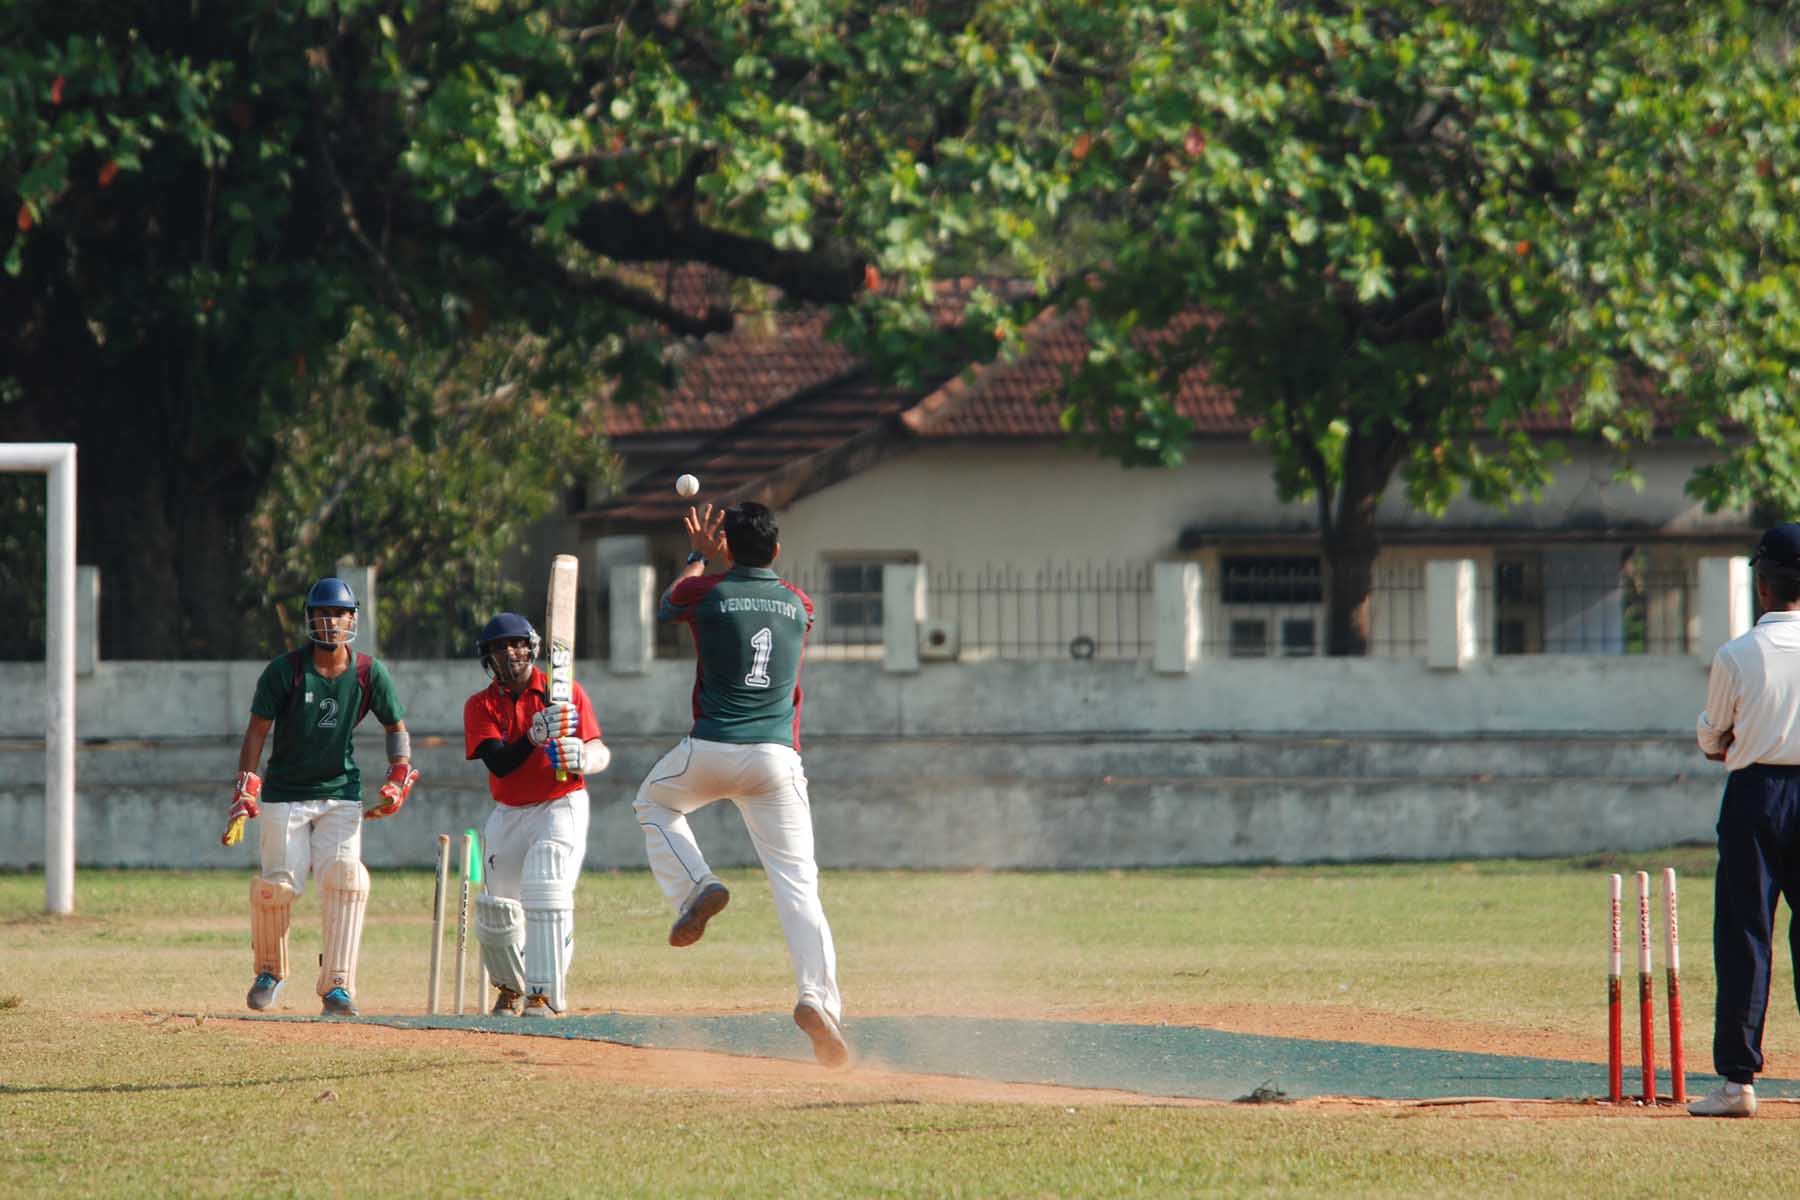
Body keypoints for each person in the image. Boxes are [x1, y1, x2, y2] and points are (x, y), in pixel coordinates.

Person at [633, 501, 849, 1067]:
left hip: (710, 748)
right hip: (776, 760)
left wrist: (700, 557)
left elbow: (667, 606)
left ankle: (696, 887)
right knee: (799, 886)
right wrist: (730, 556)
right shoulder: (800, 603)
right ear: (776, 550)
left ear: (727, 544)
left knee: (654, 802)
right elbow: (780, 611)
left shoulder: (707, 592)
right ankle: (817, 1001)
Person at [223, 576, 416, 1017]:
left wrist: (398, 774)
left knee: (347, 879)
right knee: (277, 887)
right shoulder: (285, 671)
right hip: (285, 793)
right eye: (323, 613)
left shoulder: (369, 672)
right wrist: (246, 784)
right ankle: (269, 970)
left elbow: (395, 728)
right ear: (310, 620)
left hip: (340, 793)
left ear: (353, 619)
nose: (331, 622)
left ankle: (338, 986)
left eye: (339, 613)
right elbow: (257, 731)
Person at [1690, 522, 1800, 1117]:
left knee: (1745, 936)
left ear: (1761, 585)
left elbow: (1712, 738)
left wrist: (1735, 737)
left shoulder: (1736, 655)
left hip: (1755, 794)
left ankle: (1738, 1084)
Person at [463, 611, 610, 1017]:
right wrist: (534, 737)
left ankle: (543, 993)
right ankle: (510, 988)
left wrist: (584, 757)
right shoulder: (480, 706)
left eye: (517, 643)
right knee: (499, 909)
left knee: (546, 888)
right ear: (487, 657)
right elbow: (500, 765)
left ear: (532, 647)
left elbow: (600, 750)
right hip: (509, 811)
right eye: (499, 647)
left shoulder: (564, 691)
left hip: (560, 801)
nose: (510, 652)